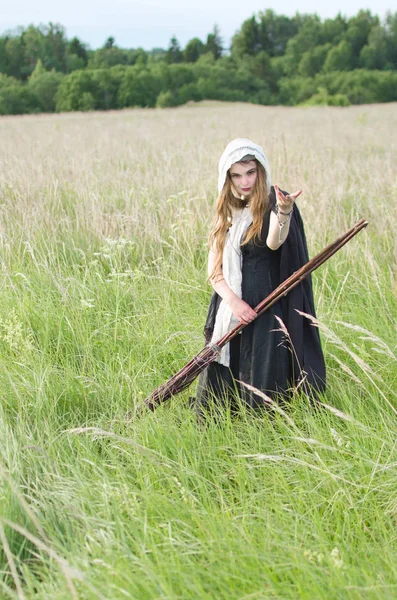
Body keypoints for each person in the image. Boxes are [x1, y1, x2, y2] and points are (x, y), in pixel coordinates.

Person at [195, 138, 326, 414]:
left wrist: (284, 212)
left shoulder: (272, 202)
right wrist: (234, 303)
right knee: (218, 400)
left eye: (250, 172)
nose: (245, 181)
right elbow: (214, 272)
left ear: (261, 170)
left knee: (264, 388)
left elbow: (274, 243)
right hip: (233, 308)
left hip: (267, 307)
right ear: (227, 177)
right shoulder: (227, 211)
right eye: (237, 175)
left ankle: (264, 434)